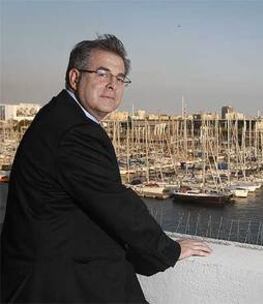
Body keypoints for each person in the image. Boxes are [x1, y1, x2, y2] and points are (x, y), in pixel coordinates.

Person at [0, 34, 211, 303]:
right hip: (63, 283)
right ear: (75, 78)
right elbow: (115, 203)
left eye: (120, 78)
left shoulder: (57, 115)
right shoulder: (75, 131)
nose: (113, 85)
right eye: (102, 74)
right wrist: (168, 250)